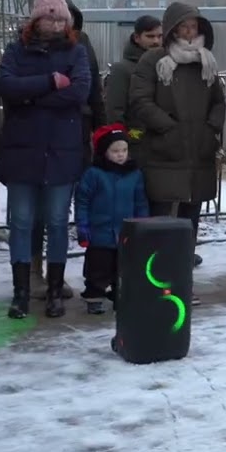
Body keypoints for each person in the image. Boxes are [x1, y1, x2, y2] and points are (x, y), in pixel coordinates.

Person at [0, 0, 90, 319]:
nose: (56, 24)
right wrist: (50, 81)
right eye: (50, 18)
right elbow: (6, 86)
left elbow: (79, 92)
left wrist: (31, 98)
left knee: (57, 221)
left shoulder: (76, 52)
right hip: (23, 152)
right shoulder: (16, 51)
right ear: (36, 20)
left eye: (61, 19)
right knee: (21, 221)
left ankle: (54, 289)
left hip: (62, 152)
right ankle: (20, 292)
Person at [129, 2, 226, 305]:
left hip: (198, 153)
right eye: (183, 26)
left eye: (193, 26)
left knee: (189, 225)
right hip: (164, 153)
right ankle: (156, 284)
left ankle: (182, 283)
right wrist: (169, 129)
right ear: (172, 28)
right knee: (160, 224)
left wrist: (211, 130)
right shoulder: (154, 60)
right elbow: (140, 101)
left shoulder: (206, 61)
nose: (189, 31)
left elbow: (219, 101)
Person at [74, 124, 149, 314]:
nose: (120, 155)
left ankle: (120, 295)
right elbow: (82, 201)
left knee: (124, 268)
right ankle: (94, 296)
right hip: (100, 232)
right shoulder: (94, 174)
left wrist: (142, 224)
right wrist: (83, 226)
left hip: (126, 231)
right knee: (98, 268)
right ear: (104, 152)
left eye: (124, 150)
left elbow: (140, 202)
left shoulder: (134, 174)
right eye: (115, 151)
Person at [104, 15, 163, 126]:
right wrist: (118, 134)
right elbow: (114, 109)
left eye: (160, 36)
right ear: (137, 38)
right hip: (134, 133)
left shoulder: (166, 66)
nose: (156, 41)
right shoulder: (122, 69)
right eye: (150, 36)